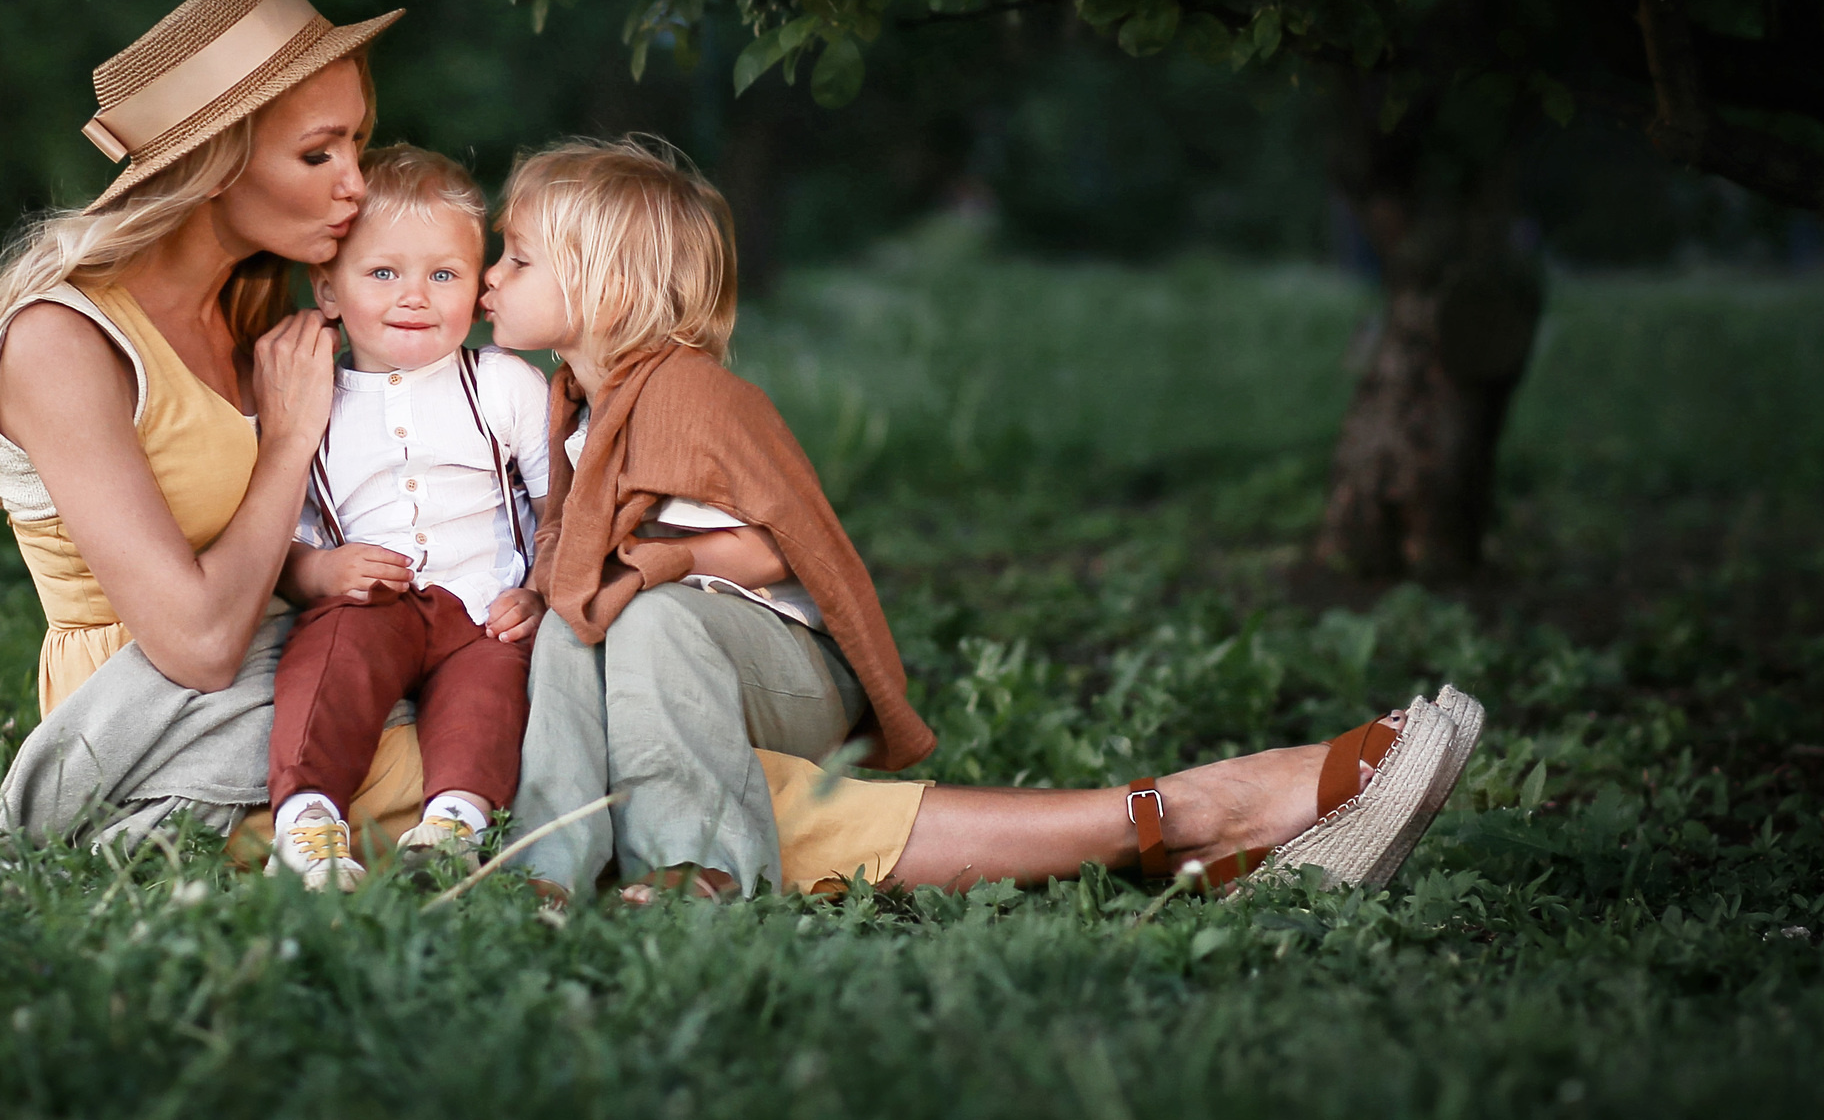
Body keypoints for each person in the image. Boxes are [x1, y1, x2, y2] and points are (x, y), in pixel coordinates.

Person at [487, 137, 1487, 903]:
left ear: (604, 285)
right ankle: (549, 869)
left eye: (513, 258)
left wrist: (662, 564)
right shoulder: (572, 407)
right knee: (578, 636)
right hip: (670, 667)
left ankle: (699, 876)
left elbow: (781, 542)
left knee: (645, 624)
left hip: (775, 659)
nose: (491, 276)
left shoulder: (691, 397)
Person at [0, 0, 435, 862]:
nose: (356, 181)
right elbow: (196, 644)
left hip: (302, 671)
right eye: (319, 152)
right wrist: (288, 439)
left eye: (357, 143)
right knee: (527, 773)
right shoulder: (61, 342)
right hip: (165, 726)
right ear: (215, 163)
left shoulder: (246, 314)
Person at [264, 147, 550, 890]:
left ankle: (455, 820)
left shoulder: (503, 384)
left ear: (478, 284)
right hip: (370, 597)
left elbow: (563, 509)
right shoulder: (311, 400)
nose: (415, 295)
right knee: (329, 657)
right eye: (384, 272)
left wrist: (540, 589)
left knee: (493, 681)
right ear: (328, 291)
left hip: (483, 604)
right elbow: (281, 538)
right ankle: (307, 819)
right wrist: (320, 569)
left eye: (444, 274)